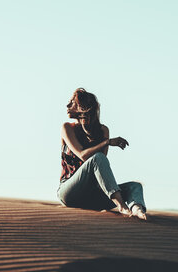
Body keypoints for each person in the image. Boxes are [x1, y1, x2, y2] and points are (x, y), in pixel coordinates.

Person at [57, 87, 147, 220]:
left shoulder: (103, 130)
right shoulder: (67, 128)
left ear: (82, 107)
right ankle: (122, 206)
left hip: (93, 196)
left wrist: (105, 140)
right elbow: (82, 154)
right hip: (69, 192)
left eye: (72, 102)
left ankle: (137, 209)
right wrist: (107, 142)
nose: (67, 105)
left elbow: (101, 168)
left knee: (135, 186)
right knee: (97, 158)